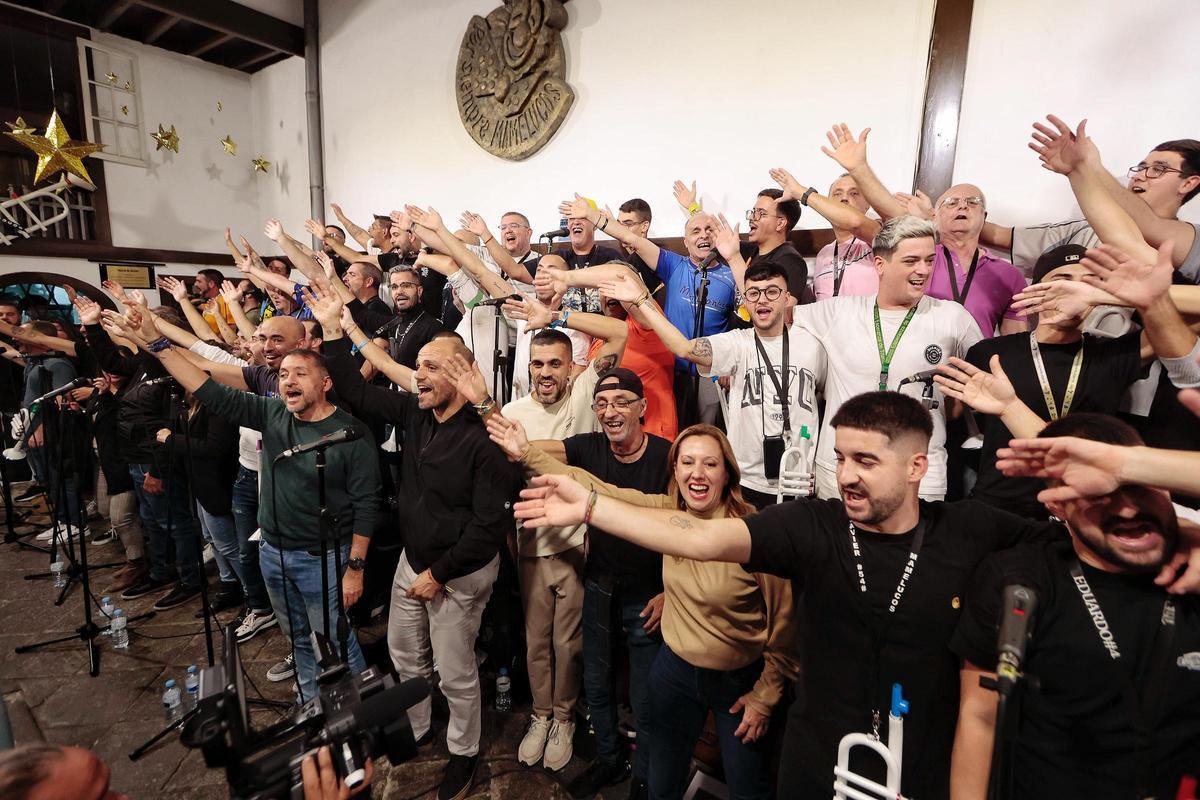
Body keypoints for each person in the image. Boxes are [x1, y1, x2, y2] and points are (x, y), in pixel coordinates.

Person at [513, 390, 1138, 799]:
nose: (846, 476)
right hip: (817, 762)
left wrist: (1021, 416)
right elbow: (697, 536)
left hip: (919, 762)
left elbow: (1088, 518)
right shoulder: (815, 525)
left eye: (866, 461)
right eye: (840, 458)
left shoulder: (969, 528)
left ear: (917, 467)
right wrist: (591, 507)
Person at [497, 420, 798, 800]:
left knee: (747, 788)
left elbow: (786, 627)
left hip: (737, 683)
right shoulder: (668, 513)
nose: (697, 473)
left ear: (727, 473)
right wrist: (527, 454)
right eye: (687, 462)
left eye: (710, 464)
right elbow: (598, 490)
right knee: (662, 780)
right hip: (675, 671)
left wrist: (765, 697)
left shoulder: (752, 533)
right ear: (675, 471)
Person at [308, 283, 519, 800]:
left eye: (431, 367)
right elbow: (357, 391)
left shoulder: (487, 436)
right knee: (404, 651)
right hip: (414, 560)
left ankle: (464, 750)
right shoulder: (415, 413)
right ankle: (419, 726)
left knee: (455, 671)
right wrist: (333, 331)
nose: (418, 374)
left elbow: (487, 529)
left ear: (462, 374)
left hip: (460, 572)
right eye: (417, 366)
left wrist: (438, 575)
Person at [111, 304, 378, 704]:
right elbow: (208, 389)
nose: (288, 381)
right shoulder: (271, 412)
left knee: (335, 640)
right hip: (273, 551)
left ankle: (361, 711)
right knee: (298, 639)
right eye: (283, 375)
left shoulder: (350, 433)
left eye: (299, 374)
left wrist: (355, 569)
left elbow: (366, 505)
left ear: (325, 383)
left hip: (320, 557)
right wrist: (157, 343)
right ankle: (312, 704)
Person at [950, 413, 1200, 800]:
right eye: (1098, 496)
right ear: (1058, 507)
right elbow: (980, 718)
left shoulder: (1194, 572)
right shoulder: (1019, 579)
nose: (1128, 510)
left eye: (1141, 486)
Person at [497, 366, 671, 800]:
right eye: (602, 404)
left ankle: (644, 779)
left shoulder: (666, 456)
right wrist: (503, 430)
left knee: (645, 698)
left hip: (647, 593)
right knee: (595, 685)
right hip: (599, 585)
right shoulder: (589, 446)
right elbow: (539, 453)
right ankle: (609, 760)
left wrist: (671, 591)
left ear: (642, 407)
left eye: (622, 402)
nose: (611, 411)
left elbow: (684, 525)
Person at [955, 242, 1200, 518]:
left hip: (1083, 511)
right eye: (1063, 280)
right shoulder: (990, 353)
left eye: (1087, 282)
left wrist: (1110, 296)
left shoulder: (1112, 354)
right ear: (1036, 288)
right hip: (998, 506)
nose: (1073, 289)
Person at [601, 262, 822, 508]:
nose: (762, 300)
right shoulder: (737, 343)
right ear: (745, 301)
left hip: (799, 480)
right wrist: (642, 301)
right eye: (753, 293)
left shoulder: (813, 344)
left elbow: (826, 397)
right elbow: (684, 348)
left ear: (787, 298)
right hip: (747, 481)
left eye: (772, 292)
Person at [793, 215, 982, 501]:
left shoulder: (952, 318)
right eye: (911, 261)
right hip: (841, 471)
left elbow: (983, 380)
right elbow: (772, 315)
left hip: (919, 476)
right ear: (880, 264)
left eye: (929, 260)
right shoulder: (838, 312)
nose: (923, 270)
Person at [818, 124, 1027, 336]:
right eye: (952, 203)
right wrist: (859, 168)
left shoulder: (1009, 275)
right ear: (935, 216)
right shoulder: (915, 255)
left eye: (973, 202)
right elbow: (892, 216)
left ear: (984, 216)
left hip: (977, 357)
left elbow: (1015, 343)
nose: (962, 206)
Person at [553, 196, 738, 426]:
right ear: (686, 241)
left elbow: (741, 325)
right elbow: (631, 239)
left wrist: (729, 364)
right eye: (695, 231)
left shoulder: (731, 276)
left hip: (710, 372)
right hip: (673, 368)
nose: (703, 235)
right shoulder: (674, 265)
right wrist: (593, 216)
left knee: (708, 433)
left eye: (709, 230)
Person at [769, 168, 880, 300]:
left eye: (854, 193)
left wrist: (801, 192)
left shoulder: (878, 236)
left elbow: (856, 223)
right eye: (837, 194)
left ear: (867, 204)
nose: (844, 198)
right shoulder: (824, 254)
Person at [553, 198, 624, 313]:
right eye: (571, 218)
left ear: (595, 224)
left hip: (603, 323)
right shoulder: (557, 258)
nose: (576, 222)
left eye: (582, 217)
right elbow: (520, 271)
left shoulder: (611, 256)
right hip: (566, 322)